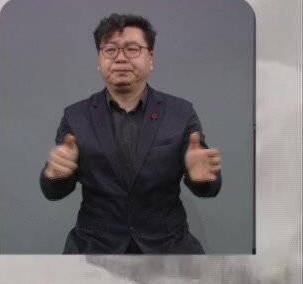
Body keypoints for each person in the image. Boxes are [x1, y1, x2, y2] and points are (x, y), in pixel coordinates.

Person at [39, 13, 222, 254]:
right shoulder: (76, 116)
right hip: (94, 248)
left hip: (168, 247)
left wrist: (203, 179)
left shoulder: (180, 113)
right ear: (99, 59)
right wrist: (54, 175)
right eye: (110, 50)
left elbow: (208, 185)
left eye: (132, 49)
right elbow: (53, 192)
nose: (121, 58)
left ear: (151, 58)